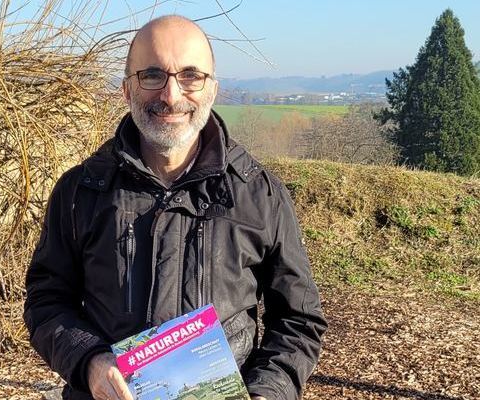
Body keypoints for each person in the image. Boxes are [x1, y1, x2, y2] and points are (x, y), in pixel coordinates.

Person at [24, 15, 327, 400]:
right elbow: (47, 301)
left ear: (212, 89)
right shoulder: (79, 192)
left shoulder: (259, 194)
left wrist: (269, 390)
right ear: (126, 90)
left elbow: (298, 320)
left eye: (190, 76)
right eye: (152, 75)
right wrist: (90, 362)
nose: (170, 95)